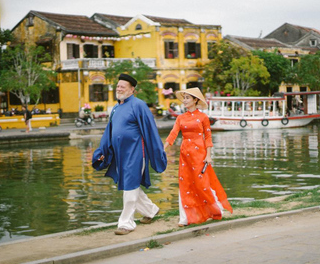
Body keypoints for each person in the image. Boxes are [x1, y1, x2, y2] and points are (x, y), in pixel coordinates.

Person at [92, 74, 167, 235]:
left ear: (132, 89)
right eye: (118, 86)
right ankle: (151, 210)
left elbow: (150, 130)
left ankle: (126, 224)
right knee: (129, 185)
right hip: (120, 154)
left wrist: (157, 151)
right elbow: (109, 132)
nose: (119, 89)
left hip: (136, 153)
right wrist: (103, 151)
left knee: (130, 186)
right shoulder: (116, 108)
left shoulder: (139, 105)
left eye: (122, 87)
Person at [164, 87, 233, 227]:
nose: (184, 100)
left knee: (202, 183)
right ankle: (185, 217)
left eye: (188, 98)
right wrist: (163, 148)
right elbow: (173, 134)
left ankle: (216, 209)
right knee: (185, 183)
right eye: (184, 98)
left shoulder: (203, 117)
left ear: (195, 100)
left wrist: (208, 156)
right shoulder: (180, 118)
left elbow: (208, 137)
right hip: (185, 153)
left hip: (200, 153)